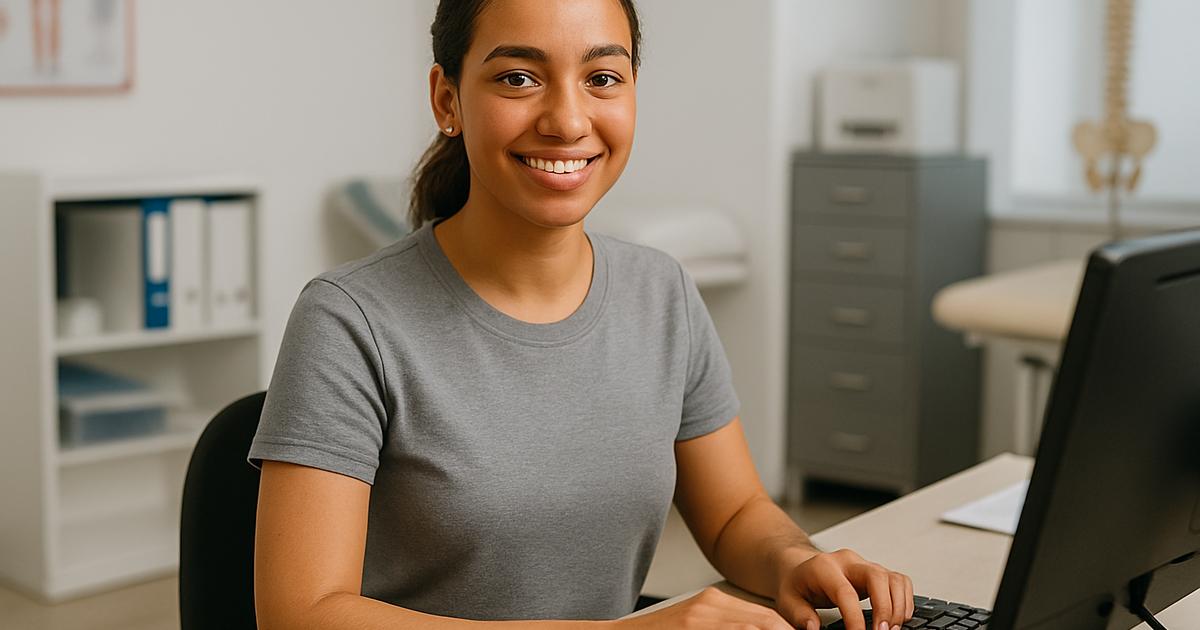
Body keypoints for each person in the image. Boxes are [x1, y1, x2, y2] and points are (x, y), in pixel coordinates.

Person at [250, 1, 914, 629]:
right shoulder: (349, 320)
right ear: (447, 100)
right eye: (517, 77)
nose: (568, 120)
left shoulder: (662, 293)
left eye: (602, 77)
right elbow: (301, 614)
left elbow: (735, 512)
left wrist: (795, 563)